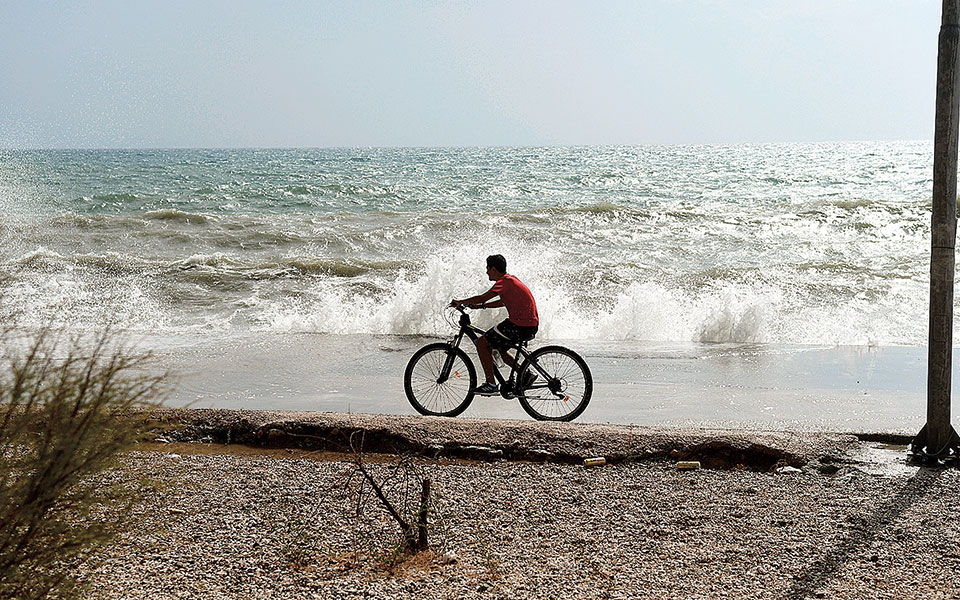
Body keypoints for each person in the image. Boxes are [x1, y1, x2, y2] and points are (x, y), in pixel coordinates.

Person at [450, 254, 538, 396]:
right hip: (528, 324)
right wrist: (481, 306)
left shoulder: (504, 282)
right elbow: (503, 302)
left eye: (487, 268)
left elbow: (483, 297)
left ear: (493, 268)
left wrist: (461, 301)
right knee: (498, 348)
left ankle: (490, 384)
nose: (486, 271)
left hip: (520, 325)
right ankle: (525, 373)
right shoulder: (510, 280)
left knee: (482, 343)